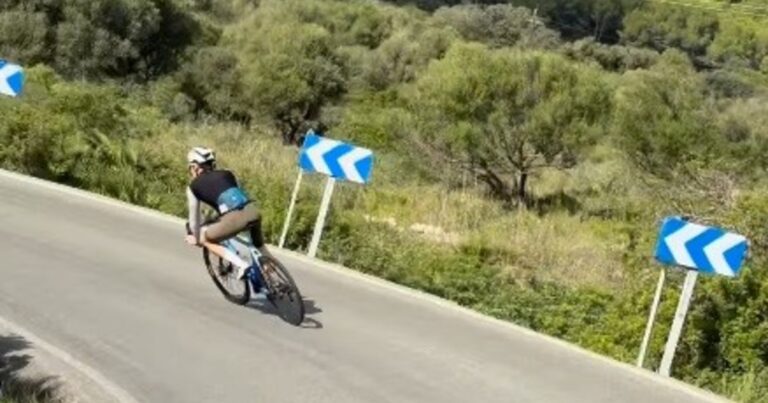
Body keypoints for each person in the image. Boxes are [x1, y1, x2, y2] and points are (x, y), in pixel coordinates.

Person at [184, 146, 270, 281]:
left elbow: (194, 219)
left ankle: (242, 265)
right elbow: (232, 196)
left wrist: (195, 237)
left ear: (194, 167)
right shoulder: (228, 173)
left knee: (204, 238)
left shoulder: (193, 187)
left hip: (234, 218)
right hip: (253, 211)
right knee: (259, 246)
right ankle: (274, 280)